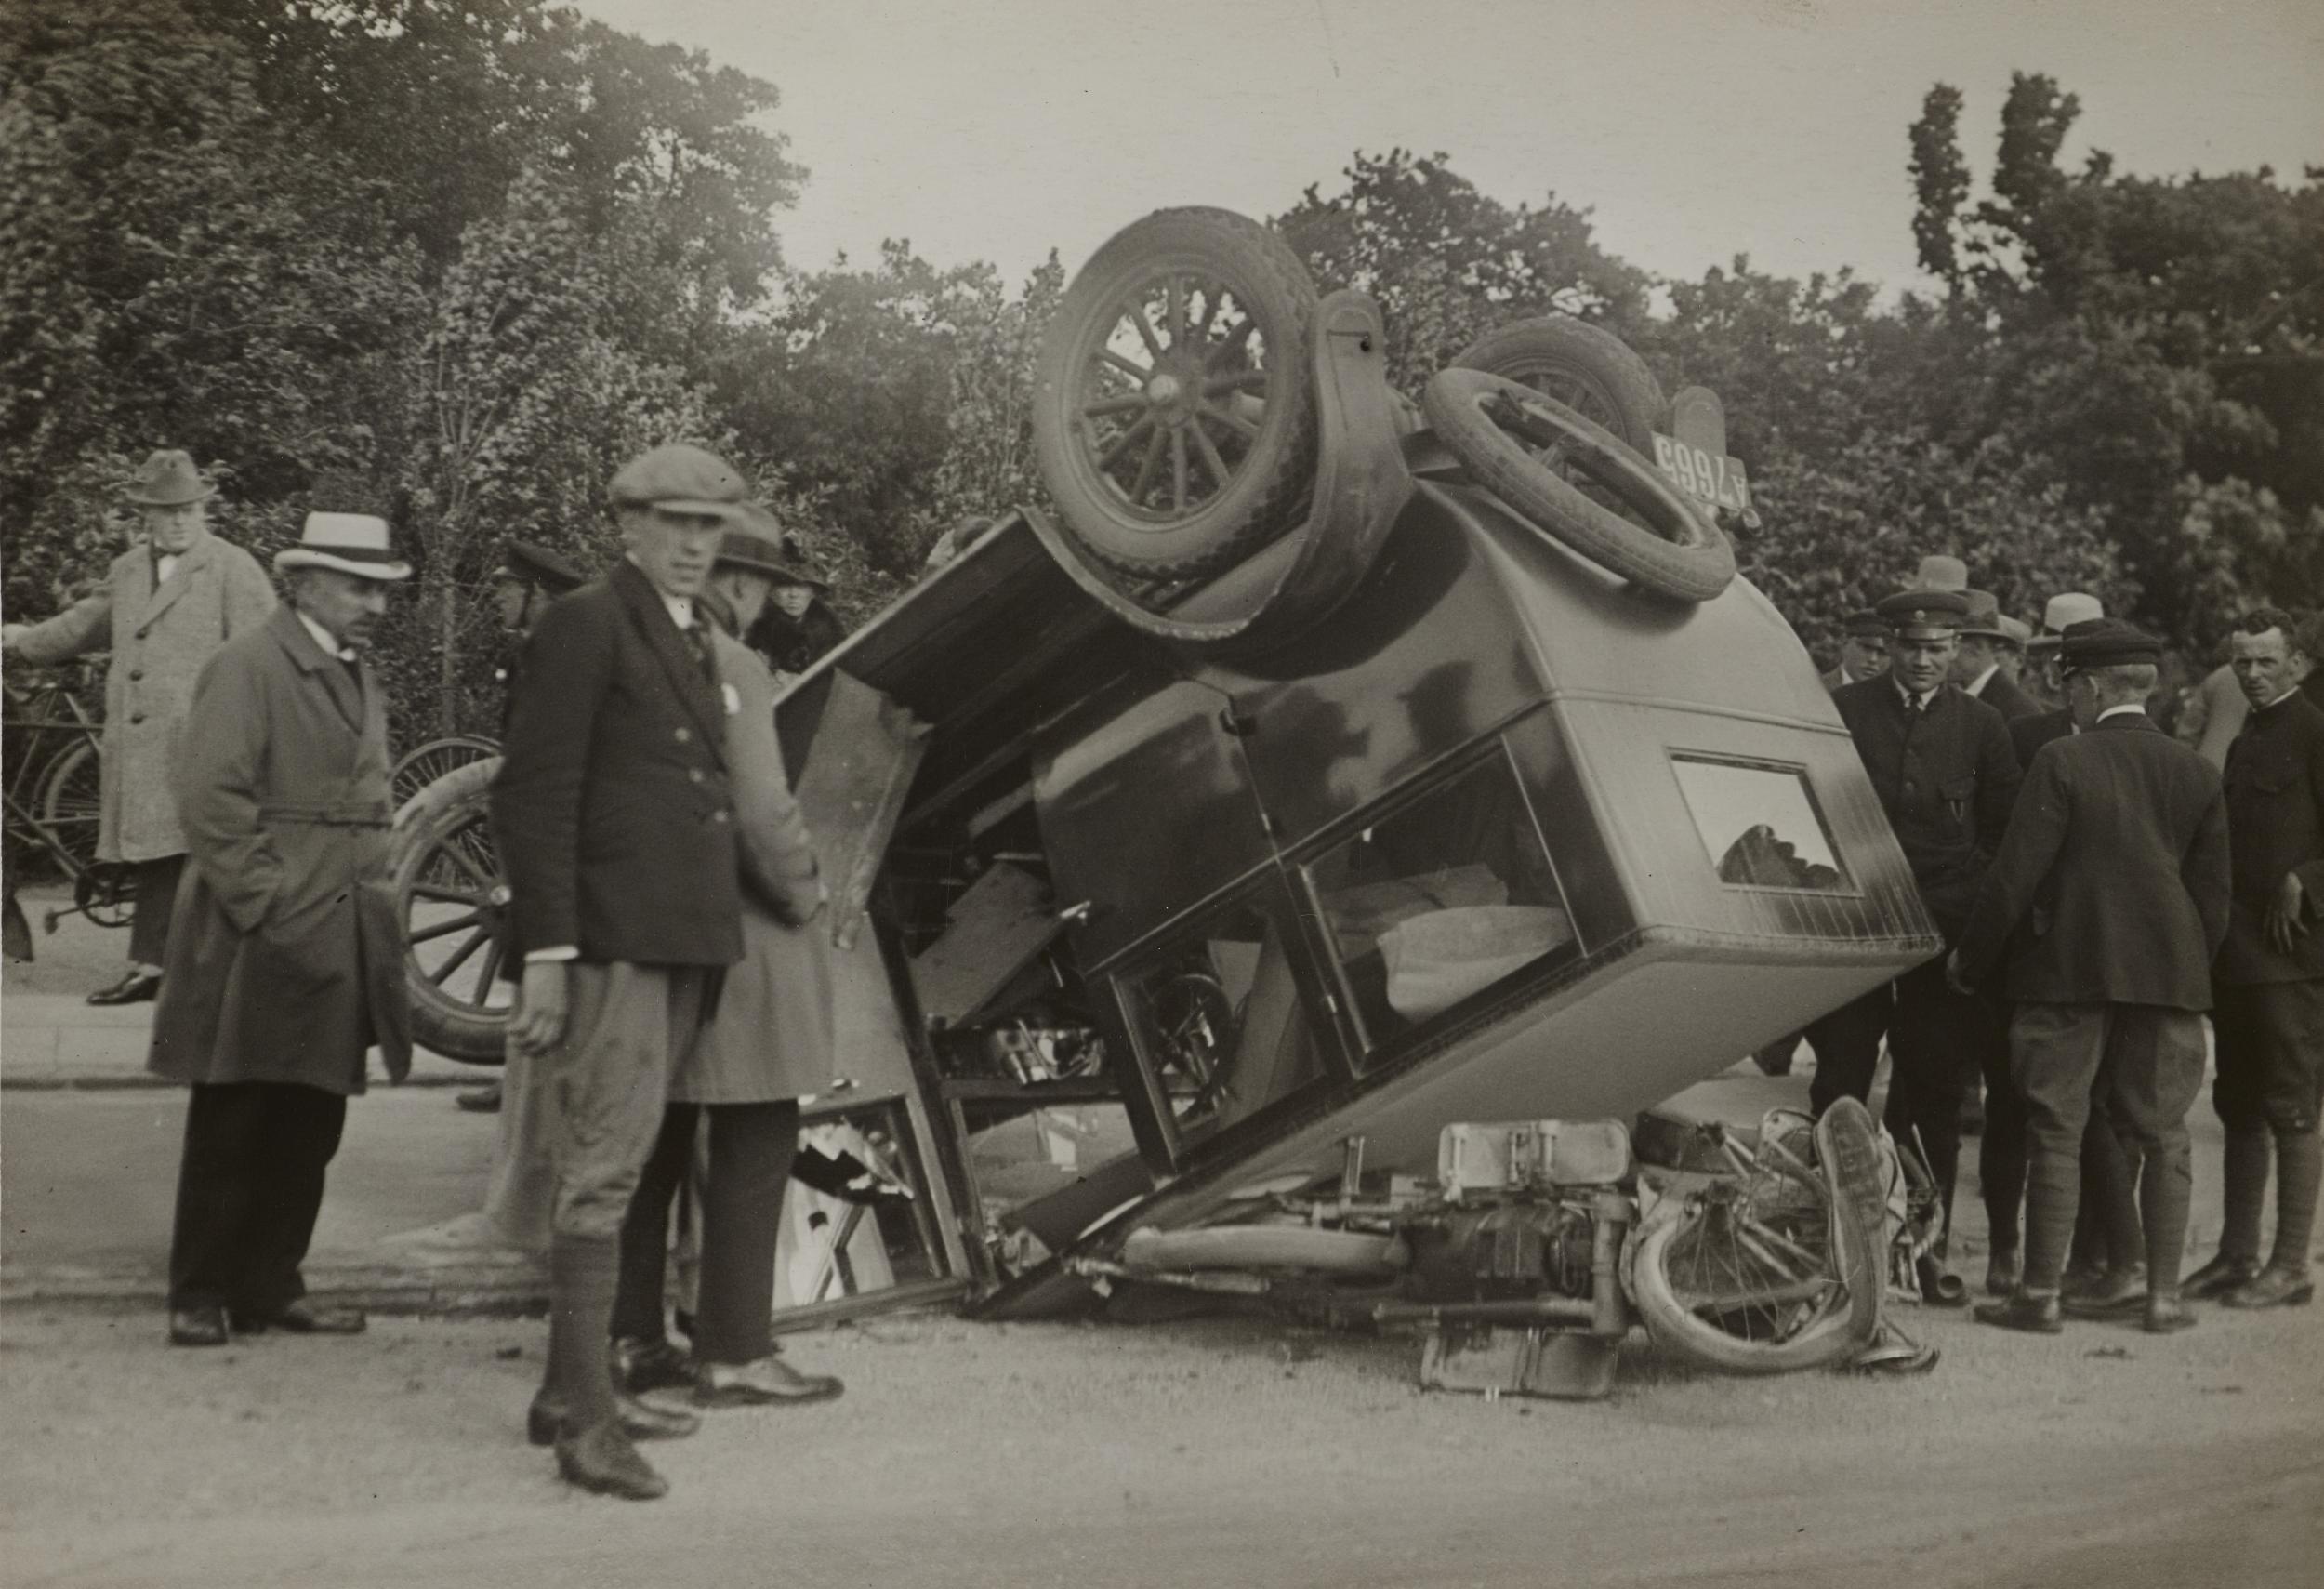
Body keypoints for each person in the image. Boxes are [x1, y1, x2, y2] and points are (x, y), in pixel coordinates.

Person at [490, 442, 756, 1502]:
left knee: (626, 1158)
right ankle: (588, 1427)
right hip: (612, 943)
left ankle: (567, 1389)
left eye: (710, 526)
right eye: (677, 523)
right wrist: (549, 953)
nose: (697, 543)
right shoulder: (589, 619)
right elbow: (533, 793)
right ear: (628, 524)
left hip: (679, 937)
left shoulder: (693, 631)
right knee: (603, 1169)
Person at [144, 513, 415, 1347]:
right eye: (356, 585)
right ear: (304, 582)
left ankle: (271, 1282)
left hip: (339, 922)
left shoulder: (351, 668)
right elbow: (211, 802)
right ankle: (199, 1290)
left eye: (380, 589)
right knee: (237, 1111)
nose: (374, 603)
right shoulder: (249, 664)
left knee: (312, 1117)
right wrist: (269, 904)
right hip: (256, 929)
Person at [609, 518, 842, 1409]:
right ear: (741, 583)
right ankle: (735, 1347)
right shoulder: (733, 663)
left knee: (659, 1137)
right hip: (742, 936)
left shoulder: (636, 653)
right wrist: (805, 891)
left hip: (656, 935)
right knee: (758, 1131)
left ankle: (632, 1337)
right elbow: (764, 816)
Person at [1949, 621, 2228, 1335]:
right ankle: (2163, 1299)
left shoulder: (2062, 759)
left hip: (2067, 973)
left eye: (2069, 684)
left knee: (2058, 1129)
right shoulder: (2197, 770)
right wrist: (2188, 968)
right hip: (2168, 978)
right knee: (2166, 1133)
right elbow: (2213, 901)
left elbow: (2014, 878)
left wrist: (1972, 960)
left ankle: (2039, 1295)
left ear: (2091, 686)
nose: (2065, 697)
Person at [1, 449, 275, 1004]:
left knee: (205, 850)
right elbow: (84, 625)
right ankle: (151, 967)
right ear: (144, 514)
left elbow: (264, 652)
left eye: (188, 510)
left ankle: (221, 970)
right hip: (140, 743)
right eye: (166, 511)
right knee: (153, 852)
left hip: (205, 735)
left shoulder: (230, 566)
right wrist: (21, 641)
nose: (178, 521)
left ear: (203, 510)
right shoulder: (128, 570)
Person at [1816, 586, 2020, 1293]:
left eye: (1940, 649)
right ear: (1890, 645)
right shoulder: (1843, 713)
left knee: (1933, 1092)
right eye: (1913, 647)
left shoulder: (1985, 724)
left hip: (1942, 939)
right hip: (1858, 925)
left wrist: (1966, 919)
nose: (1927, 660)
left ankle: (1923, 1253)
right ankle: (1830, 1250)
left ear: (1958, 650)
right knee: (1839, 1080)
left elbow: (2001, 833)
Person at [2187, 607, 2324, 1310]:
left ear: (2298, 663)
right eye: (2243, 661)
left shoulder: (2314, 731)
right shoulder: (2245, 737)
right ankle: (2237, 1255)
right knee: (2237, 1100)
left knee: (2292, 1103)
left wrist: (2308, 874)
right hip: (2236, 953)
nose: (2254, 674)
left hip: (2292, 958)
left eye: (2268, 661)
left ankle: (2291, 1264)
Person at [456, 539, 590, 1118]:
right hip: (530, 822)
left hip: (556, 831)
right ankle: (518, 1075)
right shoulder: (533, 651)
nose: (498, 599)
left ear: (538, 595)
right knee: (523, 943)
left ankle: (528, 1080)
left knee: (539, 947)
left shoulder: (558, 655)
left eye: (508, 588)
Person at [745, 536, 845, 680]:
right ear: (770, 591)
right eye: (784, 586)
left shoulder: (829, 628)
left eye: (801, 587)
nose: (793, 594)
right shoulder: (754, 624)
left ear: (812, 593)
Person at [1955, 590, 2043, 721]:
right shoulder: (1967, 696)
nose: (1945, 655)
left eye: (1953, 645)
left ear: (1975, 649)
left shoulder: (2018, 712)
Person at [1819, 609, 1889, 692]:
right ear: (1844, 643)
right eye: (1866, 647)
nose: (1873, 659)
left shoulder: (1893, 700)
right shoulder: (1816, 688)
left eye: (1882, 652)